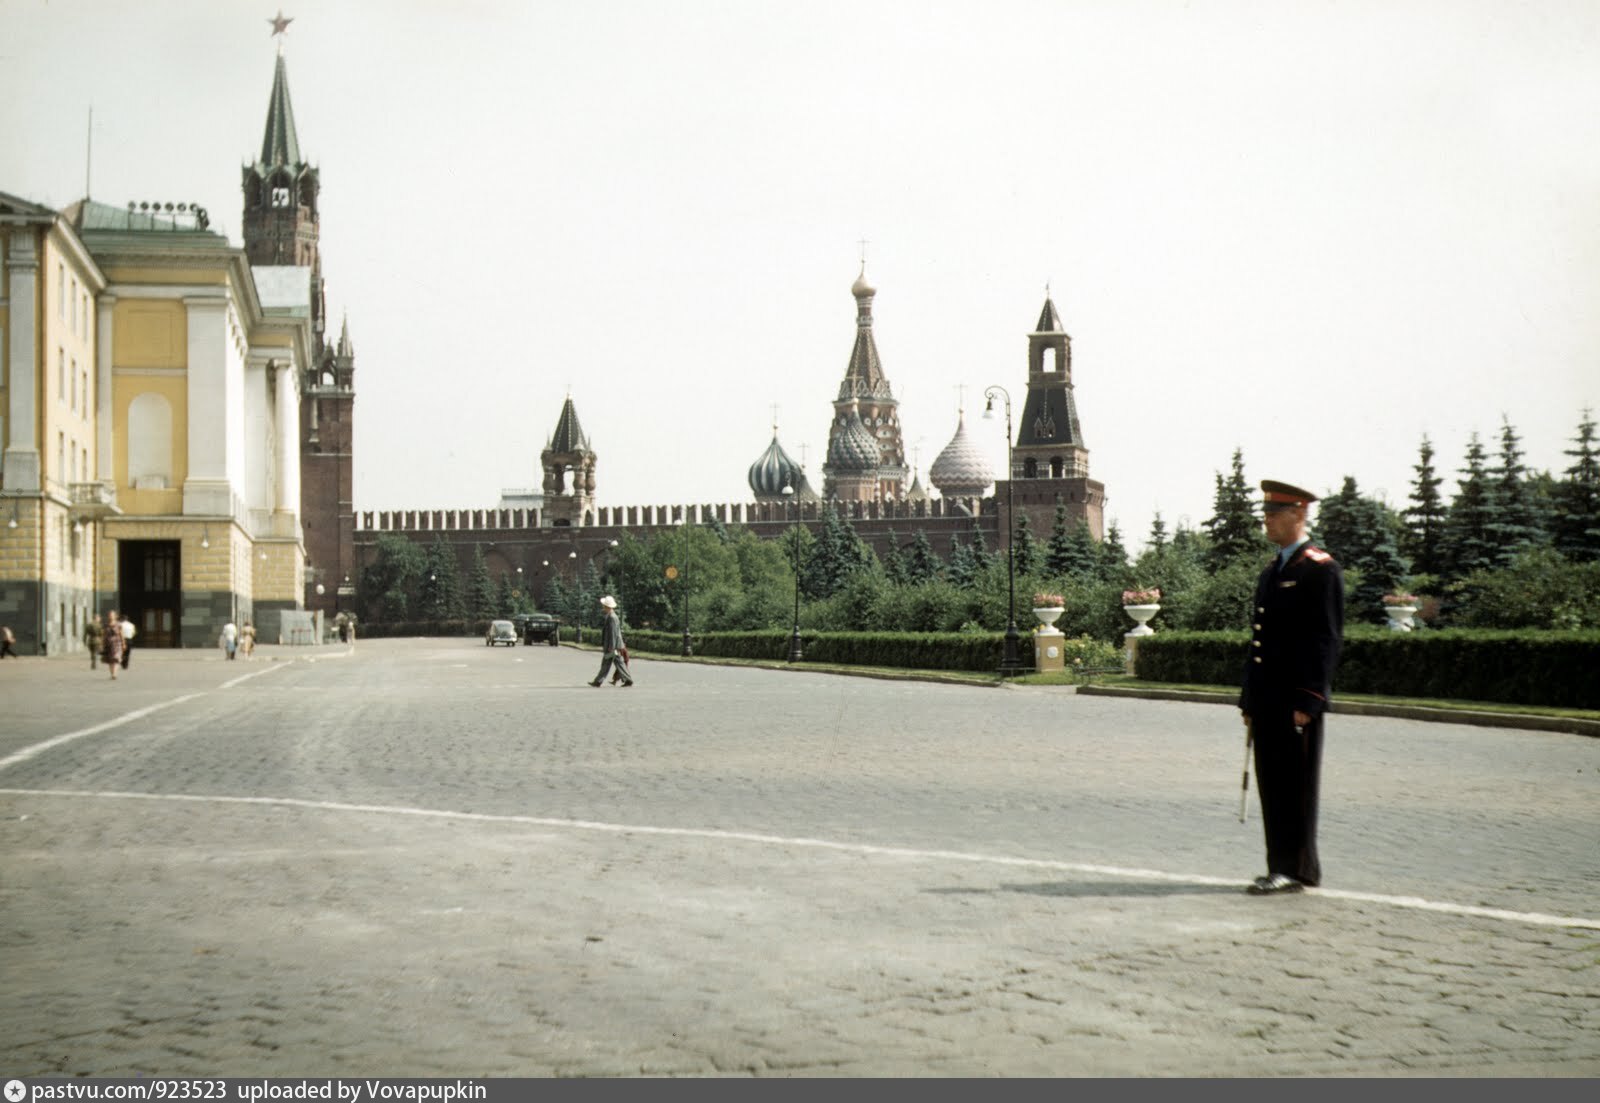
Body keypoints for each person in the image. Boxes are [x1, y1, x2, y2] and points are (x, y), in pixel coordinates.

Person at [1239, 480, 1345, 896]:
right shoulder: (1273, 569)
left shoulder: (1320, 569)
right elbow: (1259, 640)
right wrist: (1248, 698)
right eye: (1265, 514)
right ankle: (1280, 865)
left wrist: (1310, 698)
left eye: (1274, 514)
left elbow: (1327, 639)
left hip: (1295, 700)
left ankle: (1297, 868)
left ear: (1298, 514)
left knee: (1295, 785)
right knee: (1272, 782)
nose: (1266, 521)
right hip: (1266, 699)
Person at [588, 595, 633, 688]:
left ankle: (598, 681)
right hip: (614, 645)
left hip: (613, 646)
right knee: (615, 663)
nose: (603, 607)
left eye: (604, 605)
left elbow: (613, 633)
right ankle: (598, 681)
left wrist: (611, 647)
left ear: (607, 607)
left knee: (612, 663)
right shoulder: (611, 616)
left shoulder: (612, 617)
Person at [104, 610, 124, 679]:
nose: (110, 616)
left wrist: (123, 643)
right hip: (108, 644)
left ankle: (114, 674)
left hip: (117, 643)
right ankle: (112, 673)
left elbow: (121, 634)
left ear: (115, 616)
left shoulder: (118, 624)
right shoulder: (106, 624)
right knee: (110, 659)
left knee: (116, 658)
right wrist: (102, 643)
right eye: (109, 615)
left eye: (112, 615)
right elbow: (104, 634)